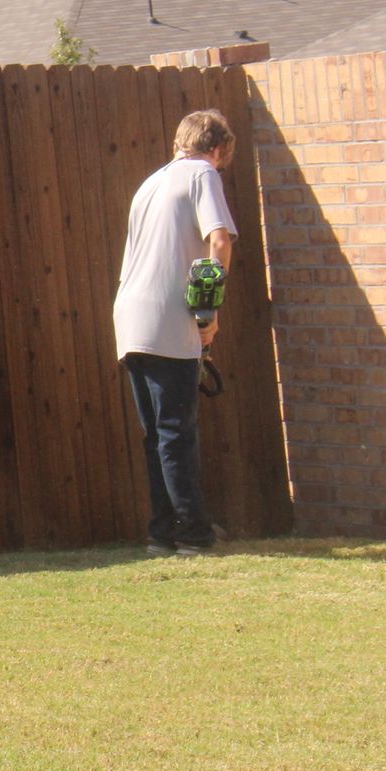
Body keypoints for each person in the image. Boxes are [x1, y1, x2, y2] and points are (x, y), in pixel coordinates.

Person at [113, 108, 237, 557]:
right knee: (177, 432)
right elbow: (218, 242)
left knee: (157, 435)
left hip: (130, 316)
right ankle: (195, 535)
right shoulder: (203, 174)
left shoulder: (150, 183)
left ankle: (162, 533)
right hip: (169, 316)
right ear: (218, 149)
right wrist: (208, 313)